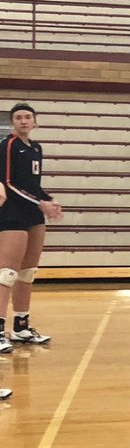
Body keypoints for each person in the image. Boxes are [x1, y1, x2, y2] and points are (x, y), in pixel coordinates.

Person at [0, 102, 64, 356]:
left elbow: (34, 185)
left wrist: (48, 200)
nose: (23, 121)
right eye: (18, 117)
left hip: (32, 212)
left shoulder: (36, 148)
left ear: (35, 122)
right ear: (13, 122)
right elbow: (8, 182)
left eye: (27, 117)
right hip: (12, 212)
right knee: (7, 273)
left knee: (28, 271)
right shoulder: (9, 145)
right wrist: (40, 203)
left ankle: (21, 326)